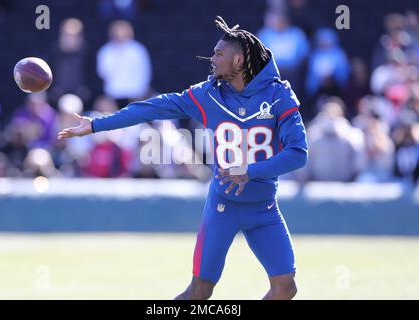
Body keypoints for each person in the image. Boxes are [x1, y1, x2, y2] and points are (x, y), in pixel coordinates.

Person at [58, 16, 308, 300]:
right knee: (199, 290)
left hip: (264, 208)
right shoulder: (208, 95)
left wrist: (250, 171)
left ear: (239, 60)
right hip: (223, 206)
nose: (211, 59)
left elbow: (298, 154)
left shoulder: (278, 95)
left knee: (286, 288)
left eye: (218, 53)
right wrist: (95, 124)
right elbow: (151, 108)